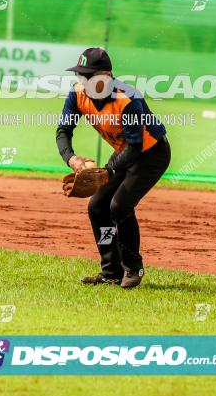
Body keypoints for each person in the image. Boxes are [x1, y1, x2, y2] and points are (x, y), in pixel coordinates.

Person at [55, 47, 170, 289]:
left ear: (105, 77)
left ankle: (133, 267)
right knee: (97, 206)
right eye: (81, 75)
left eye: (88, 76)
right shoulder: (77, 94)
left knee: (120, 206)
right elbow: (63, 131)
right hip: (123, 153)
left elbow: (135, 148)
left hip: (151, 155)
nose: (82, 81)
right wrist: (72, 159)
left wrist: (107, 170)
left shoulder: (128, 99)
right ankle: (111, 271)